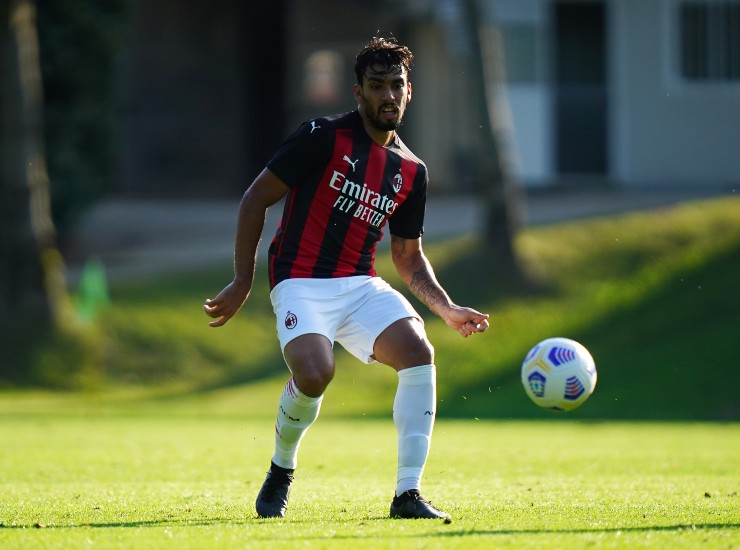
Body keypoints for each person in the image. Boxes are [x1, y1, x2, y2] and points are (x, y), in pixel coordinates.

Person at [203, 36, 489, 521]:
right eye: (377, 86)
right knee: (315, 374)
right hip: (298, 280)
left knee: (420, 353)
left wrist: (446, 308)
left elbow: (408, 257)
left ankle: (407, 495)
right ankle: (281, 468)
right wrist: (242, 280)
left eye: (396, 85)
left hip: (358, 284)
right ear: (358, 92)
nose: (388, 95)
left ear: (409, 92)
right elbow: (255, 199)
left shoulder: (411, 171)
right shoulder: (321, 136)